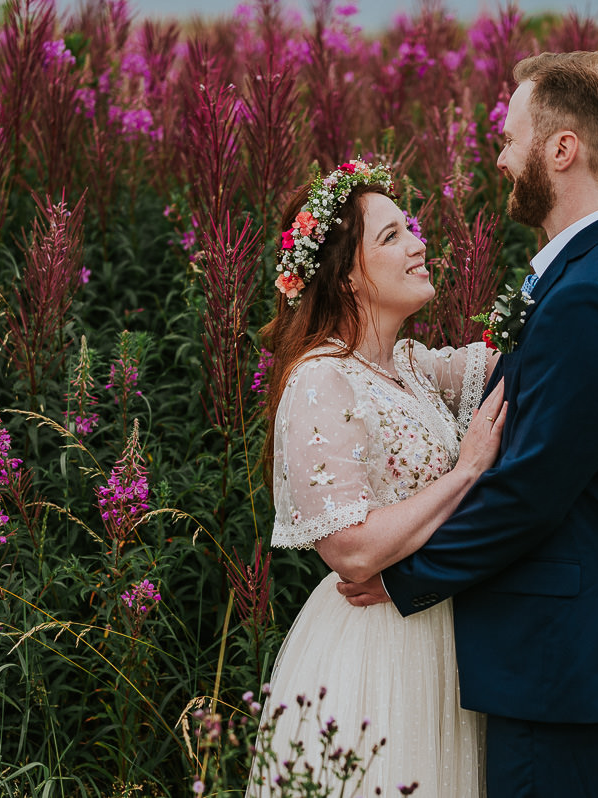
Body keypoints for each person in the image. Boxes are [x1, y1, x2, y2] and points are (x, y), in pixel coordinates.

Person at [342, 47, 598, 797]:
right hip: (588, 665)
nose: (500, 158)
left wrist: (402, 579)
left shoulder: (592, 295)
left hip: (564, 673)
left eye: (510, 137)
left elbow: (531, 490)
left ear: (562, 150)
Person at [251, 159, 503, 797]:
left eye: (409, 227)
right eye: (391, 237)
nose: (420, 245)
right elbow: (353, 550)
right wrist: (467, 471)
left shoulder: (414, 367)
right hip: (377, 655)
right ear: (348, 277)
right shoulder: (319, 378)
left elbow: (533, 356)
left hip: (441, 629)